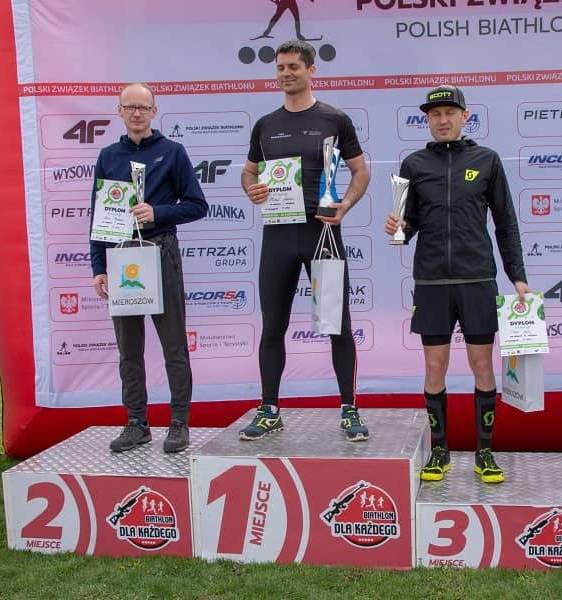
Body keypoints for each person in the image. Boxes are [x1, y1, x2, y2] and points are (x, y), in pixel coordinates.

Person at [384, 85, 529, 484]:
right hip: (432, 281)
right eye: (435, 114)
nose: (443, 120)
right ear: (427, 120)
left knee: (483, 366)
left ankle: (485, 452)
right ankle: (440, 450)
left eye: (450, 112)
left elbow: (506, 222)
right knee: (434, 368)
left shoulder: (487, 160)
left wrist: (517, 276)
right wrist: (398, 228)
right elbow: (407, 228)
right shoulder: (413, 164)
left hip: (477, 278)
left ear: (465, 116)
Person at [240, 40, 370, 441]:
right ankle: (269, 409)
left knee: (337, 324)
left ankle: (349, 408)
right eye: (280, 67)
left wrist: (345, 205)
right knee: (272, 326)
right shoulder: (265, 124)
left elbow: (360, 171)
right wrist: (252, 189)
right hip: (279, 232)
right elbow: (248, 171)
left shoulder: (335, 119)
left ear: (312, 70)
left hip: (322, 231)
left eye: (293, 66)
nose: (286, 73)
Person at [90, 82, 208, 453]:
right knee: (129, 349)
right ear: (119, 111)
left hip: (160, 252)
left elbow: (197, 205)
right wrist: (99, 266)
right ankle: (136, 423)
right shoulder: (108, 156)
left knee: (174, 345)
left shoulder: (172, 152)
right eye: (130, 107)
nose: (137, 113)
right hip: (121, 256)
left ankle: (179, 422)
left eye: (143, 107)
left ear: (154, 112)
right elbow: (99, 216)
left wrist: (157, 212)